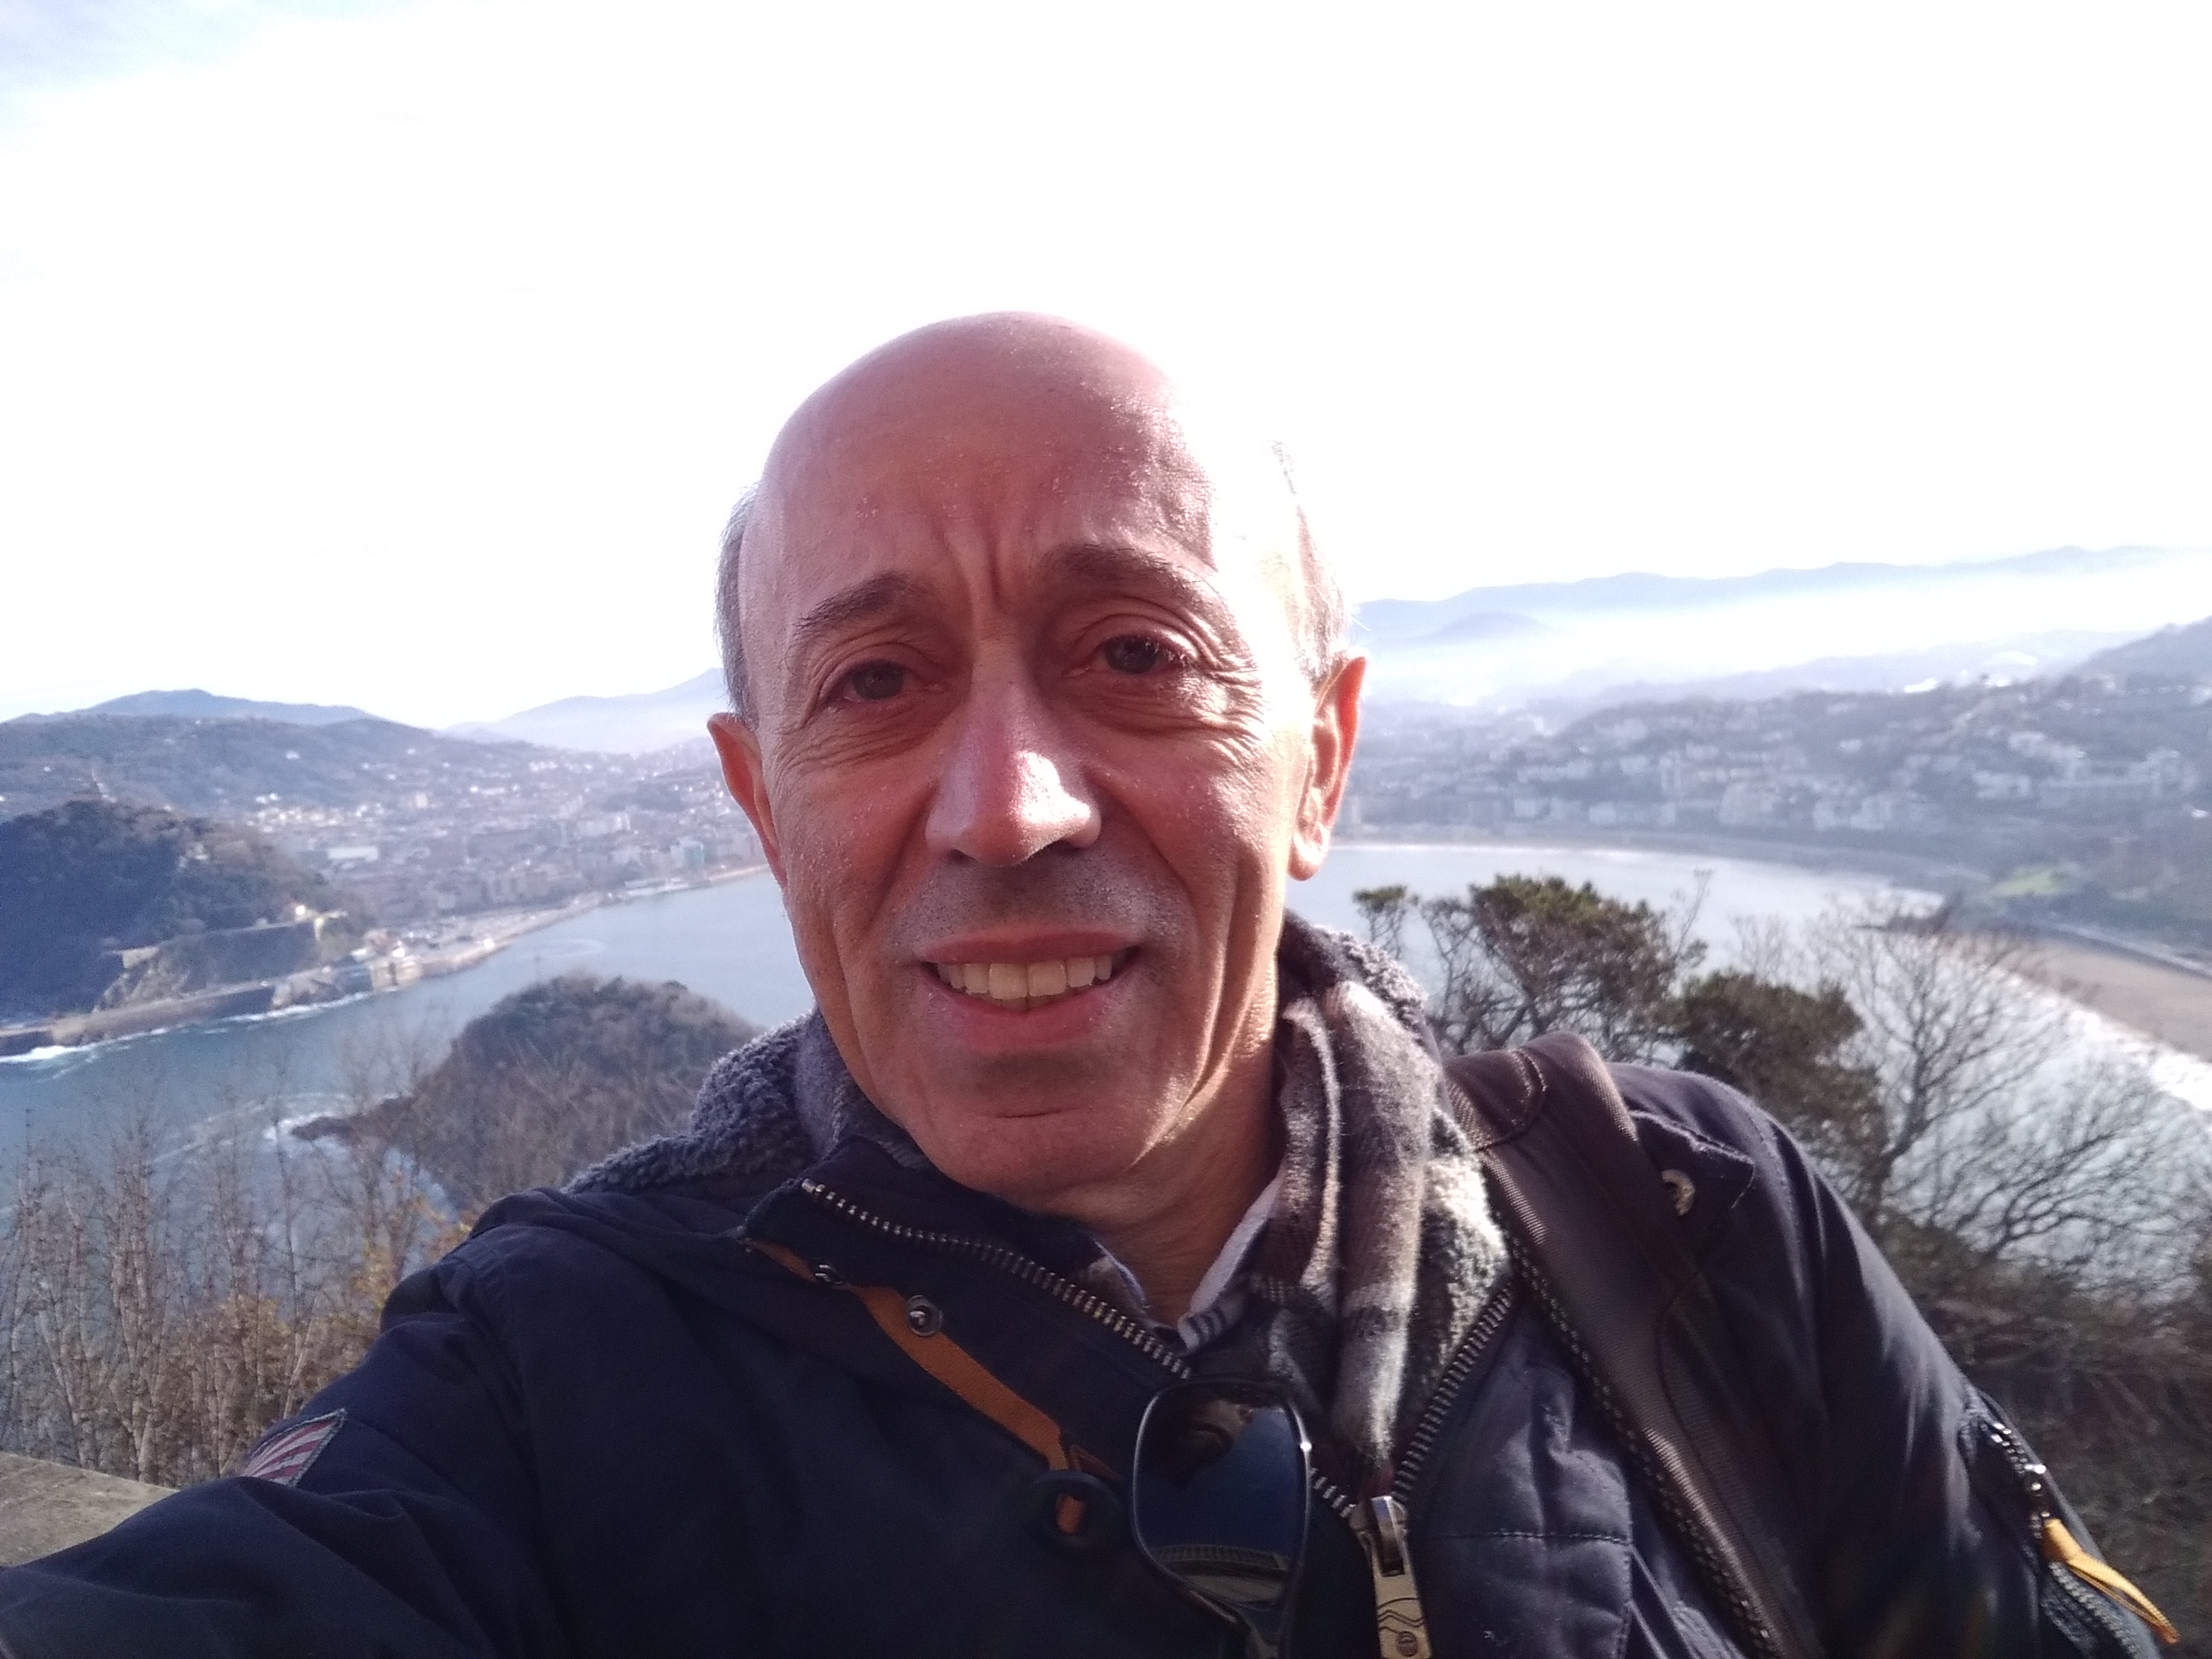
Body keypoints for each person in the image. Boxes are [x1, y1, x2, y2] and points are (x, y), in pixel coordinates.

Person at [0, 315, 2166, 1657]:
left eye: (1136, 652)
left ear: (1320, 759)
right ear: (764, 803)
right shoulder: (540, 1382)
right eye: (875, 682)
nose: (1007, 806)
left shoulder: (1687, 1214)